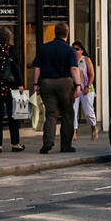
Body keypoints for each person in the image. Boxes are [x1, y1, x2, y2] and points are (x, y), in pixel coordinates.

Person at [31, 22, 81, 154]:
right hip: (65, 83)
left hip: (47, 83)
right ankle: (66, 145)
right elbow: (74, 68)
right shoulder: (70, 50)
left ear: (55, 33)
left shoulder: (44, 48)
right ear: (67, 34)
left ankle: (48, 142)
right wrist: (78, 85)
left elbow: (37, 68)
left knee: (51, 114)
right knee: (67, 114)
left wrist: (35, 84)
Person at [72, 40, 99, 142]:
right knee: (73, 110)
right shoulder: (71, 60)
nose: (74, 51)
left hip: (87, 88)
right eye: (73, 49)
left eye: (77, 49)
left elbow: (92, 74)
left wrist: (88, 86)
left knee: (88, 111)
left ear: (82, 51)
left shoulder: (86, 59)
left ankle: (94, 128)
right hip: (75, 89)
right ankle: (74, 132)